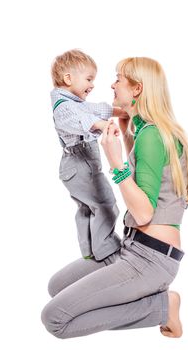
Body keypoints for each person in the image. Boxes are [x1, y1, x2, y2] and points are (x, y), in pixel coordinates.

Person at [41, 56, 188, 339]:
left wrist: (115, 163)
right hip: (130, 247)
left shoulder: (153, 136)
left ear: (137, 88)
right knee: (57, 287)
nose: (112, 84)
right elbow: (140, 173)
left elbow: (143, 214)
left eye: (118, 78)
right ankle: (139, 299)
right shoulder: (147, 132)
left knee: (55, 319)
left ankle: (162, 307)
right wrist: (125, 119)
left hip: (150, 259)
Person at [51, 49, 127, 261]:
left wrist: (119, 112)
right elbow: (78, 120)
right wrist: (100, 125)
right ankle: (108, 252)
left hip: (77, 167)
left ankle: (90, 253)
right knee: (104, 203)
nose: (92, 84)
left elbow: (95, 109)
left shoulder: (75, 103)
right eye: (88, 79)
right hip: (78, 164)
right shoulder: (63, 107)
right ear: (68, 78)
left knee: (87, 209)